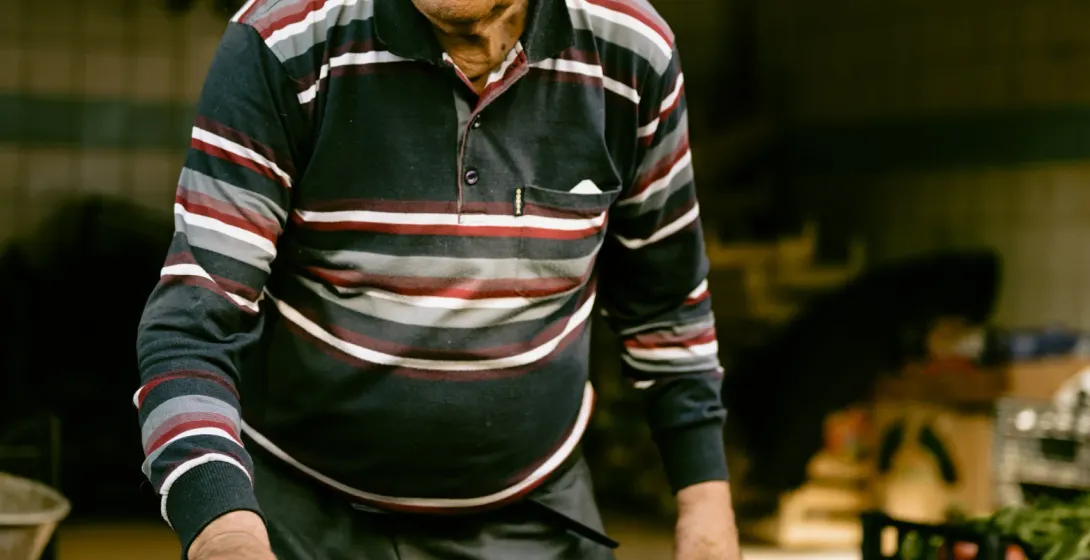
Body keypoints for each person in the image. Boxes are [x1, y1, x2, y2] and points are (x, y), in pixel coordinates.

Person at [134, 0, 740, 557]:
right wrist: (223, 527)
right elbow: (192, 327)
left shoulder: (629, 50)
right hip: (297, 515)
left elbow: (666, 304)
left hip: (530, 514)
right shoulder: (284, 40)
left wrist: (706, 504)